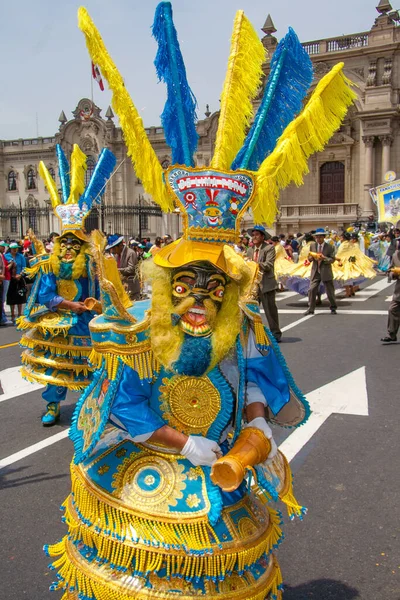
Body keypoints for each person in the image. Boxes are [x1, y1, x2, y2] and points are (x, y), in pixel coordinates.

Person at [45, 4, 355, 598]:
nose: (199, 302)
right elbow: (124, 404)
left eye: (214, 288)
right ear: (165, 284)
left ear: (233, 289)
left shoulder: (243, 329)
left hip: (223, 476)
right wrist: (181, 442)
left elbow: (258, 391)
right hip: (150, 471)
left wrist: (253, 440)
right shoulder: (137, 330)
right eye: (185, 285)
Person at [18, 143, 116, 425]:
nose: (69, 248)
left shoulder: (91, 265)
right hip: (59, 323)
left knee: (91, 365)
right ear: (59, 245)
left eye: (75, 244)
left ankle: (94, 407)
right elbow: (45, 294)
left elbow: (105, 291)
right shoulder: (50, 266)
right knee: (58, 365)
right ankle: (52, 405)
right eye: (66, 243)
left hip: (85, 322)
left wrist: (97, 305)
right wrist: (66, 304)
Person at [248, 226, 282, 342]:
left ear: (262, 236)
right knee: (251, 310)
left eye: (257, 234)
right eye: (253, 235)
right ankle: (252, 334)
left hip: (266, 284)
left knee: (270, 310)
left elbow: (268, 265)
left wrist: (254, 264)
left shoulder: (269, 248)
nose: (254, 237)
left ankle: (276, 333)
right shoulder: (249, 250)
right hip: (253, 286)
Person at [304, 228, 337, 315]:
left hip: (325, 271)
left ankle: (333, 307)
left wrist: (324, 258)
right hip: (316, 271)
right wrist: (311, 258)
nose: (318, 239)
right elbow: (309, 257)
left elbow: (332, 259)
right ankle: (311, 308)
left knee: (330, 291)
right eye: (317, 237)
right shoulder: (312, 246)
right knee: (311, 289)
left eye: (320, 237)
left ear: (324, 237)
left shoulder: (330, 247)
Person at [106, 234, 140, 300]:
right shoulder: (116, 255)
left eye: (113, 248)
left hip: (131, 288)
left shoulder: (130, 253)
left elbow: (131, 269)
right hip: (122, 288)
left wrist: (117, 270)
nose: (113, 250)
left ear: (120, 246)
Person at [381, 240, 400, 343]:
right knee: (392, 310)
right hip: (399, 290)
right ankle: (391, 334)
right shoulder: (395, 256)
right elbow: (390, 271)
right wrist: (393, 274)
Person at [5, 242, 27, 322]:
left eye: (16, 248)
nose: (15, 249)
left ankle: (19, 314)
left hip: (19, 278)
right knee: (11, 297)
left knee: (20, 296)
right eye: (13, 248)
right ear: (10, 249)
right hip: (11, 279)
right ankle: (12, 315)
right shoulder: (6, 256)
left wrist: (20, 275)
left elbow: (24, 267)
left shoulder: (21, 256)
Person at [0, 241, 12, 325]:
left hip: (4, 278)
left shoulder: (2, 255)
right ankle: (2, 318)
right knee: (2, 299)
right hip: (3, 278)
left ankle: (2, 317)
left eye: (4, 247)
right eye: (2, 246)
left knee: (2, 299)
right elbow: (5, 267)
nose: (4, 248)